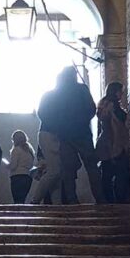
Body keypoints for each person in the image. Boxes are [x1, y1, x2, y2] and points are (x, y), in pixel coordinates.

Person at [28, 66, 106, 205]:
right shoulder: (82, 89)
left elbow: (43, 114)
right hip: (82, 133)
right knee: (92, 167)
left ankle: (72, 200)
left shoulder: (52, 94)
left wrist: (59, 127)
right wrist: (81, 122)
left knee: (67, 171)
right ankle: (100, 199)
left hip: (64, 136)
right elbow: (91, 109)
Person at [96, 81, 130, 203]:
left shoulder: (103, 105)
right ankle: (119, 202)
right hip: (114, 143)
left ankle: (108, 201)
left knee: (107, 175)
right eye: (120, 91)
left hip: (105, 143)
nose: (122, 94)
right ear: (116, 92)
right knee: (120, 174)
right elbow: (118, 127)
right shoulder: (114, 107)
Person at [7, 129, 35, 204]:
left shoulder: (16, 150)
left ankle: (17, 215)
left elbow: (13, 166)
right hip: (28, 177)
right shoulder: (30, 151)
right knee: (22, 200)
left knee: (17, 201)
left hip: (17, 177)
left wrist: (8, 166)